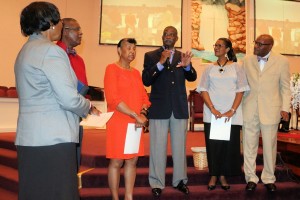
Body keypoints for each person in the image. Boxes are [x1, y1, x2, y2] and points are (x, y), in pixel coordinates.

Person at [14, 2, 100, 200]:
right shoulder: (51, 51)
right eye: (60, 21)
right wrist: (88, 106)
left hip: (29, 137)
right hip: (53, 139)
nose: (61, 25)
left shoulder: (24, 51)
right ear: (51, 23)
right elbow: (69, 98)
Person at [142, 26, 197, 197]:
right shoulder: (151, 56)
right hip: (159, 108)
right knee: (157, 147)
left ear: (176, 38)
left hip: (179, 108)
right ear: (162, 37)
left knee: (180, 147)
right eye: (166, 34)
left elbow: (192, 77)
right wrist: (160, 62)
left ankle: (180, 181)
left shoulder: (182, 56)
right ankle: (157, 182)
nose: (168, 37)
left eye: (172, 34)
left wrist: (187, 67)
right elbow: (146, 80)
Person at [196, 38, 250, 191]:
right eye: (215, 45)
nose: (216, 48)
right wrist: (212, 109)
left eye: (220, 46)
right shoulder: (209, 69)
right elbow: (203, 89)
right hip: (213, 114)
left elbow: (241, 90)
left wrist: (231, 110)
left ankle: (223, 175)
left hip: (230, 115)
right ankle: (214, 174)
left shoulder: (237, 67)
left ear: (227, 49)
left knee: (227, 146)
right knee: (213, 146)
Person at [242, 34, 290, 192]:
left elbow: (285, 87)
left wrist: (285, 108)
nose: (256, 46)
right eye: (256, 43)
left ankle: (269, 178)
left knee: (270, 146)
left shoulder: (282, 61)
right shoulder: (247, 60)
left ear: (270, 46)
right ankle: (250, 177)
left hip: (271, 109)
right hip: (249, 108)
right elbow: (242, 85)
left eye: (261, 44)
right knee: (249, 145)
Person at [104, 38, 150, 200]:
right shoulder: (111, 69)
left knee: (132, 160)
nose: (132, 51)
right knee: (117, 162)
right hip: (119, 122)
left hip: (135, 123)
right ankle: (115, 197)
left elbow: (144, 97)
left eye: (134, 49)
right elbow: (113, 99)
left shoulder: (136, 73)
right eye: (128, 48)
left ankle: (128, 196)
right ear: (119, 50)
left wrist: (143, 113)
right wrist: (135, 115)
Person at [57, 18, 88, 171]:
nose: (80, 33)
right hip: (59, 117)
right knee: (61, 163)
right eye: (77, 29)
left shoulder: (79, 59)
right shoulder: (54, 55)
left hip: (77, 116)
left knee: (74, 161)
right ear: (65, 31)